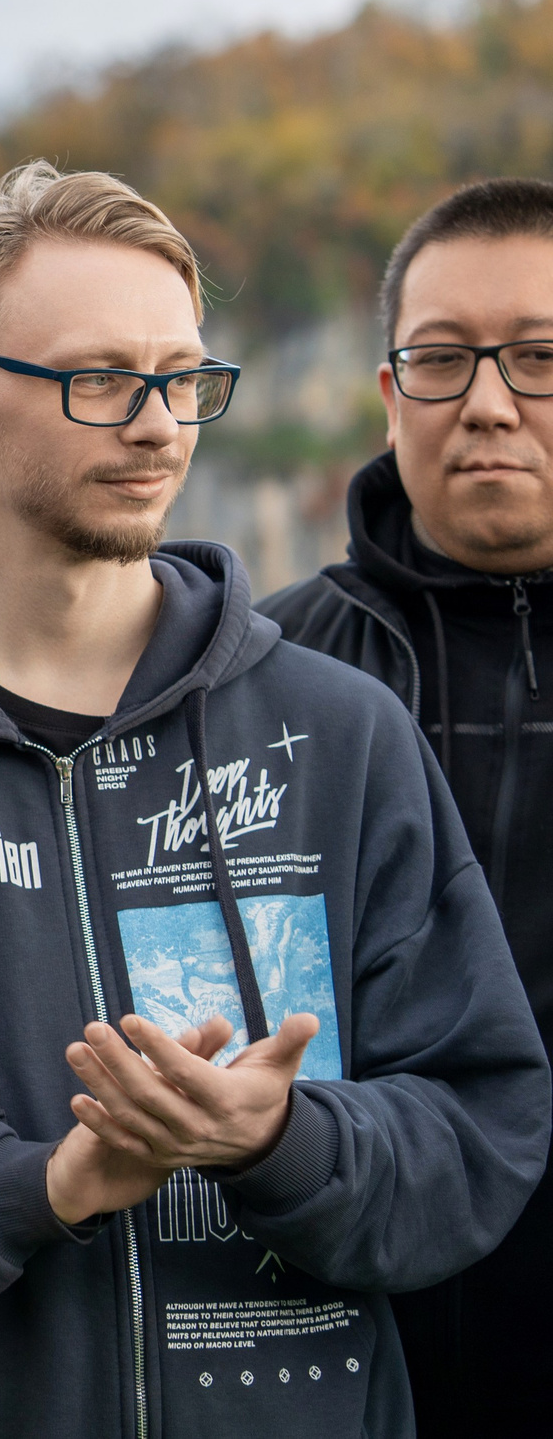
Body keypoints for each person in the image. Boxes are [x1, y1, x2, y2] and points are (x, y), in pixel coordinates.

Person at [0, 161, 548, 1438]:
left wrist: (281, 1142)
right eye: (98, 379)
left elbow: (480, 1126)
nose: (156, 425)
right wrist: (46, 1187)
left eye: (181, 379)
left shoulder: (336, 734)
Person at [260, 176, 553, 1436]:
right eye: (441, 361)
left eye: (538, 358)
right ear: (389, 397)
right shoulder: (268, 677)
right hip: (346, 1334)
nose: (486, 403)